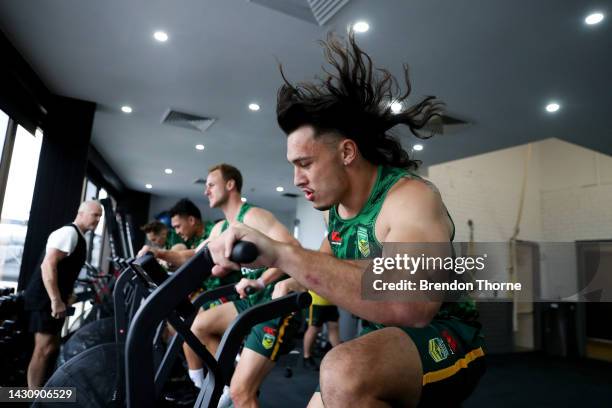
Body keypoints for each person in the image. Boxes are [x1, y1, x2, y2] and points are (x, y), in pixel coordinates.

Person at [206, 33, 486, 407]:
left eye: (305, 163)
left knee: (342, 370)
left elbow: (412, 305)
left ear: (347, 152)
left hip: (448, 337)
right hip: (384, 342)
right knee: (336, 383)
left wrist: (284, 255)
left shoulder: (408, 198)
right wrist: (284, 276)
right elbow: (328, 261)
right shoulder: (337, 212)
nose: (296, 179)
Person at [183, 163, 300, 407]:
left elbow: (293, 251)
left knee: (242, 393)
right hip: (250, 299)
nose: (206, 191)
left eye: (211, 185)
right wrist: (157, 254)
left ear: (230, 184)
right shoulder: (221, 227)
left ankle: (230, 388)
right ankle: (208, 386)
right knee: (198, 326)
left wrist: (261, 280)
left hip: (273, 301)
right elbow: (192, 255)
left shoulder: (253, 216)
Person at [24, 200, 103, 388]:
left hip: (53, 299)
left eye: (100, 216)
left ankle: (43, 391)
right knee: (42, 350)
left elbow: (65, 270)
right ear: (81, 212)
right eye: (95, 214)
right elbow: (48, 265)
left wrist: (69, 293)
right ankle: (33, 398)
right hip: (44, 299)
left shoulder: (79, 236)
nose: (98, 219)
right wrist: (55, 299)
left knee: (51, 347)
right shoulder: (68, 233)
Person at [137, 198, 207, 267]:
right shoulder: (191, 238)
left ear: (191, 220)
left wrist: (159, 254)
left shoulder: (214, 232)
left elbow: (180, 252)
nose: (176, 232)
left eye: (178, 226)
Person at [302, 291, 340, 370]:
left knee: (334, 327)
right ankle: (306, 357)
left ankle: (340, 356)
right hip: (315, 302)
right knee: (314, 329)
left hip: (331, 302)